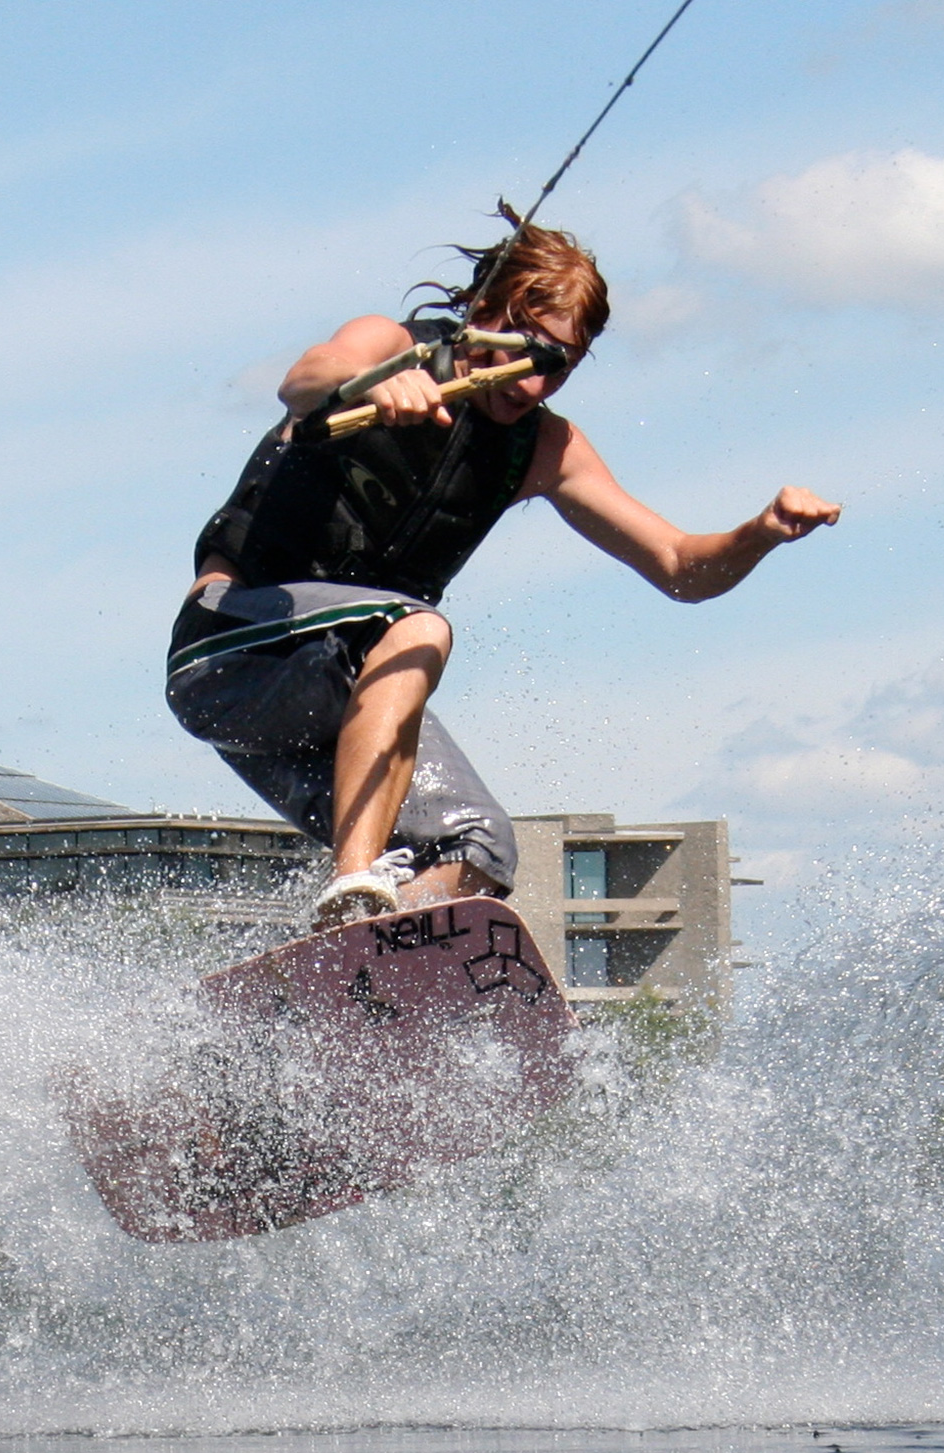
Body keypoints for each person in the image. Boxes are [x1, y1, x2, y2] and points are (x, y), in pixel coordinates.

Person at [167, 222, 840, 927]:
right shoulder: (389, 348)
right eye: (531, 354)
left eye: (564, 366)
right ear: (485, 313)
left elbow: (679, 568)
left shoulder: (546, 447)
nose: (537, 382)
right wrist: (374, 380)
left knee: (479, 850)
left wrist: (760, 533)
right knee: (414, 626)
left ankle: (351, 947)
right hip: (234, 649)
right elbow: (305, 377)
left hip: (345, 699)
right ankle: (356, 882)